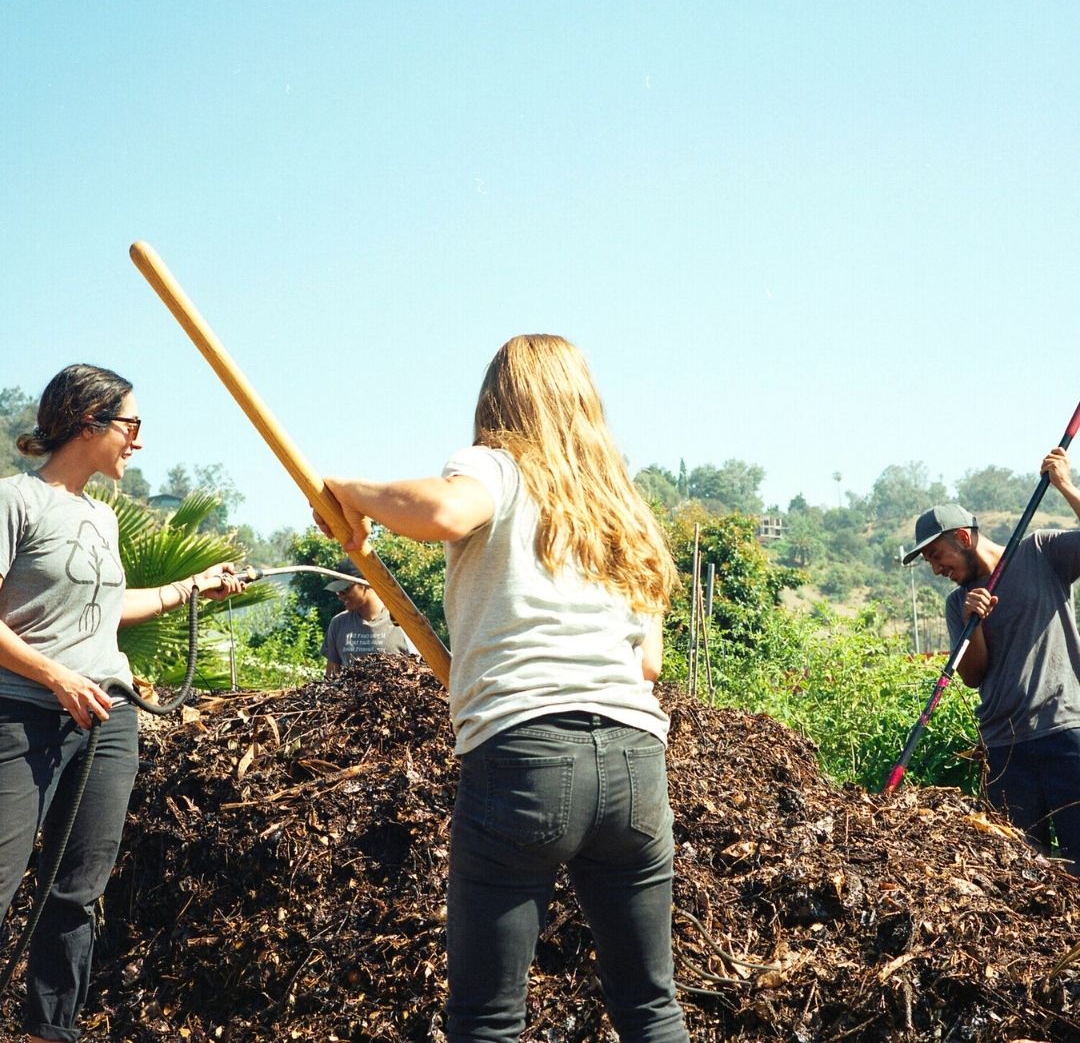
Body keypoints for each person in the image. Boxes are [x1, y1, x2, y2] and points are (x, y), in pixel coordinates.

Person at [314, 334, 690, 1043]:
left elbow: (445, 515)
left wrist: (350, 492)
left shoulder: (496, 466)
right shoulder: (621, 509)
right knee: (648, 1006)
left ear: (499, 399)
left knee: (488, 1019)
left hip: (526, 755)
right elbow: (648, 667)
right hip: (637, 762)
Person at [0, 364, 246, 1043]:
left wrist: (190, 587)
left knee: (76, 892)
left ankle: (56, 1032)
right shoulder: (15, 501)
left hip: (109, 717)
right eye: (130, 424)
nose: (138, 441)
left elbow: (107, 610)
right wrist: (54, 678)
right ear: (89, 420)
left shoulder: (102, 517)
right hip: (23, 714)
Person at [905, 447, 1080, 872]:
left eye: (936, 556)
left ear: (962, 538)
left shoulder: (1042, 553)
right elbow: (972, 675)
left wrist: (1065, 486)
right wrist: (974, 623)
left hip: (1064, 732)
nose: (935, 569)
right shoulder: (957, 604)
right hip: (1004, 747)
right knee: (1018, 871)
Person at [321, 557, 414, 676]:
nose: (340, 596)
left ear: (366, 582)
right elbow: (331, 678)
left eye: (345, 589)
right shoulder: (338, 624)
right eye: (337, 591)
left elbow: (420, 671)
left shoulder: (402, 621)